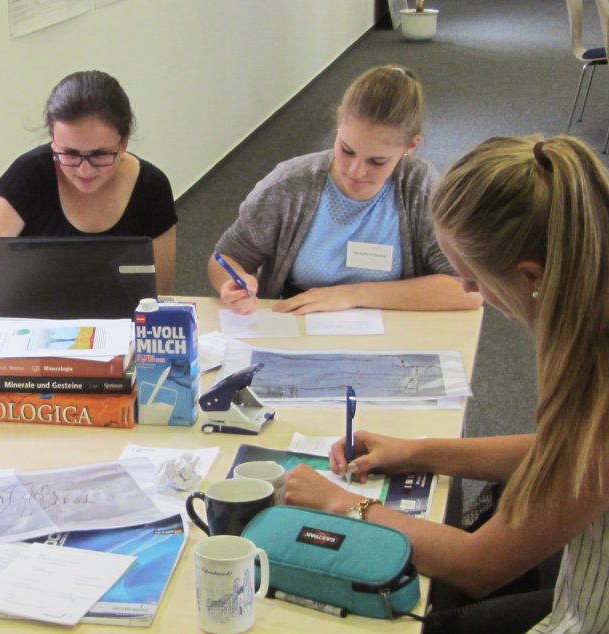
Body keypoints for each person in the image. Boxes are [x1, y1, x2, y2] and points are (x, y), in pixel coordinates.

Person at [284, 134, 609, 633]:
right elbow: (563, 452)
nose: (470, 292)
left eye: (475, 281)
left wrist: (342, 503)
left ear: (531, 275)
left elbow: (479, 566)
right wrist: (416, 451)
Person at [209, 65, 481, 315]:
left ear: (411, 146)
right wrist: (232, 284)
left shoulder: (421, 190)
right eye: (347, 150)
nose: (355, 171)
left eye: (377, 161)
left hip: (394, 327)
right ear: (339, 121)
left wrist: (351, 295)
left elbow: (468, 289)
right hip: (298, 325)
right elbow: (227, 257)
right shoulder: (290, 186)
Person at [0, 70, 177, 295]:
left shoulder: (152, 188)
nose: (85, 170)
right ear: (53, 142)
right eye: (70, 154)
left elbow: (159, 294)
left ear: (123, 143)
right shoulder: (29, 174)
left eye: (100, 155)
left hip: (122, 324)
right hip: (36, 319)